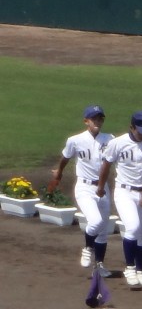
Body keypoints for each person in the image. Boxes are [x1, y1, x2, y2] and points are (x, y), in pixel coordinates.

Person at [49, 105, 114, 278]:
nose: (98, 122)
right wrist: (59, 172)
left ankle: (99, 265)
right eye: (94, 119)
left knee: (103, 231)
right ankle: (87, 248)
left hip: (103, 187)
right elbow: (66, 157)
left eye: (100, 119)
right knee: (96, 221)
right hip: (84, 187)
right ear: (86, 121)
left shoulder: (110, 139)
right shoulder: (75, 140)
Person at [97, 111, 142, 289]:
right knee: (132, 227)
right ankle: (129, 268)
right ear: (131, 127)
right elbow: (106, 165)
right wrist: (100, 187)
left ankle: (140, 271)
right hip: (124, 191)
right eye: (140, 130)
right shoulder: (118, 143)